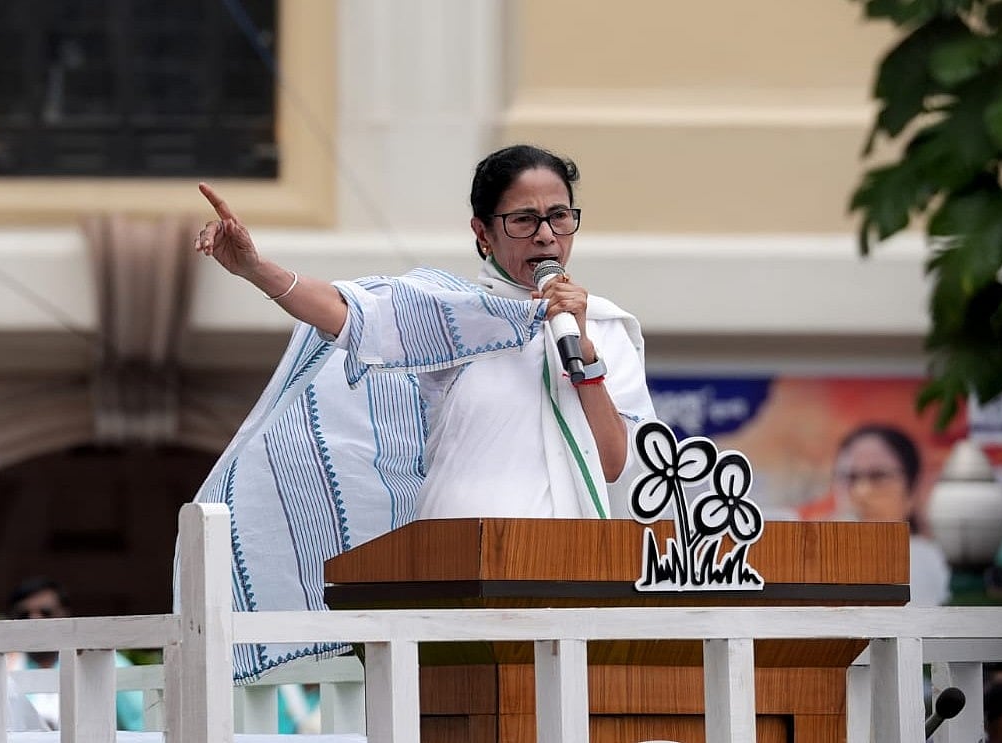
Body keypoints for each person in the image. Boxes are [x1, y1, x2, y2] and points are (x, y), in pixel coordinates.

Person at [186, 144, 656, 681]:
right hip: (458, 567)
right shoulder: (457, 315)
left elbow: (615, 463)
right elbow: (348, 314)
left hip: (572, 566)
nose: (546, 235)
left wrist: (585, 356)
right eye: (524, 220)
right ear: (483, 231)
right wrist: (256, 269)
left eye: (559, 217)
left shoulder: (606, 329)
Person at [826, 424, 951, 606]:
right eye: (850, 477)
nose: (862, 492)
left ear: (912, 488)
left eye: (878, 476)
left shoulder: (932, 564)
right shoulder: (814, 564)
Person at [5, 576, 144, 731]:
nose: (34, 620)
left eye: (45, 612)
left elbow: (142, 724)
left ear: (65, 614)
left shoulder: (103, 663)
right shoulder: (2, 668)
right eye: (24, 614)